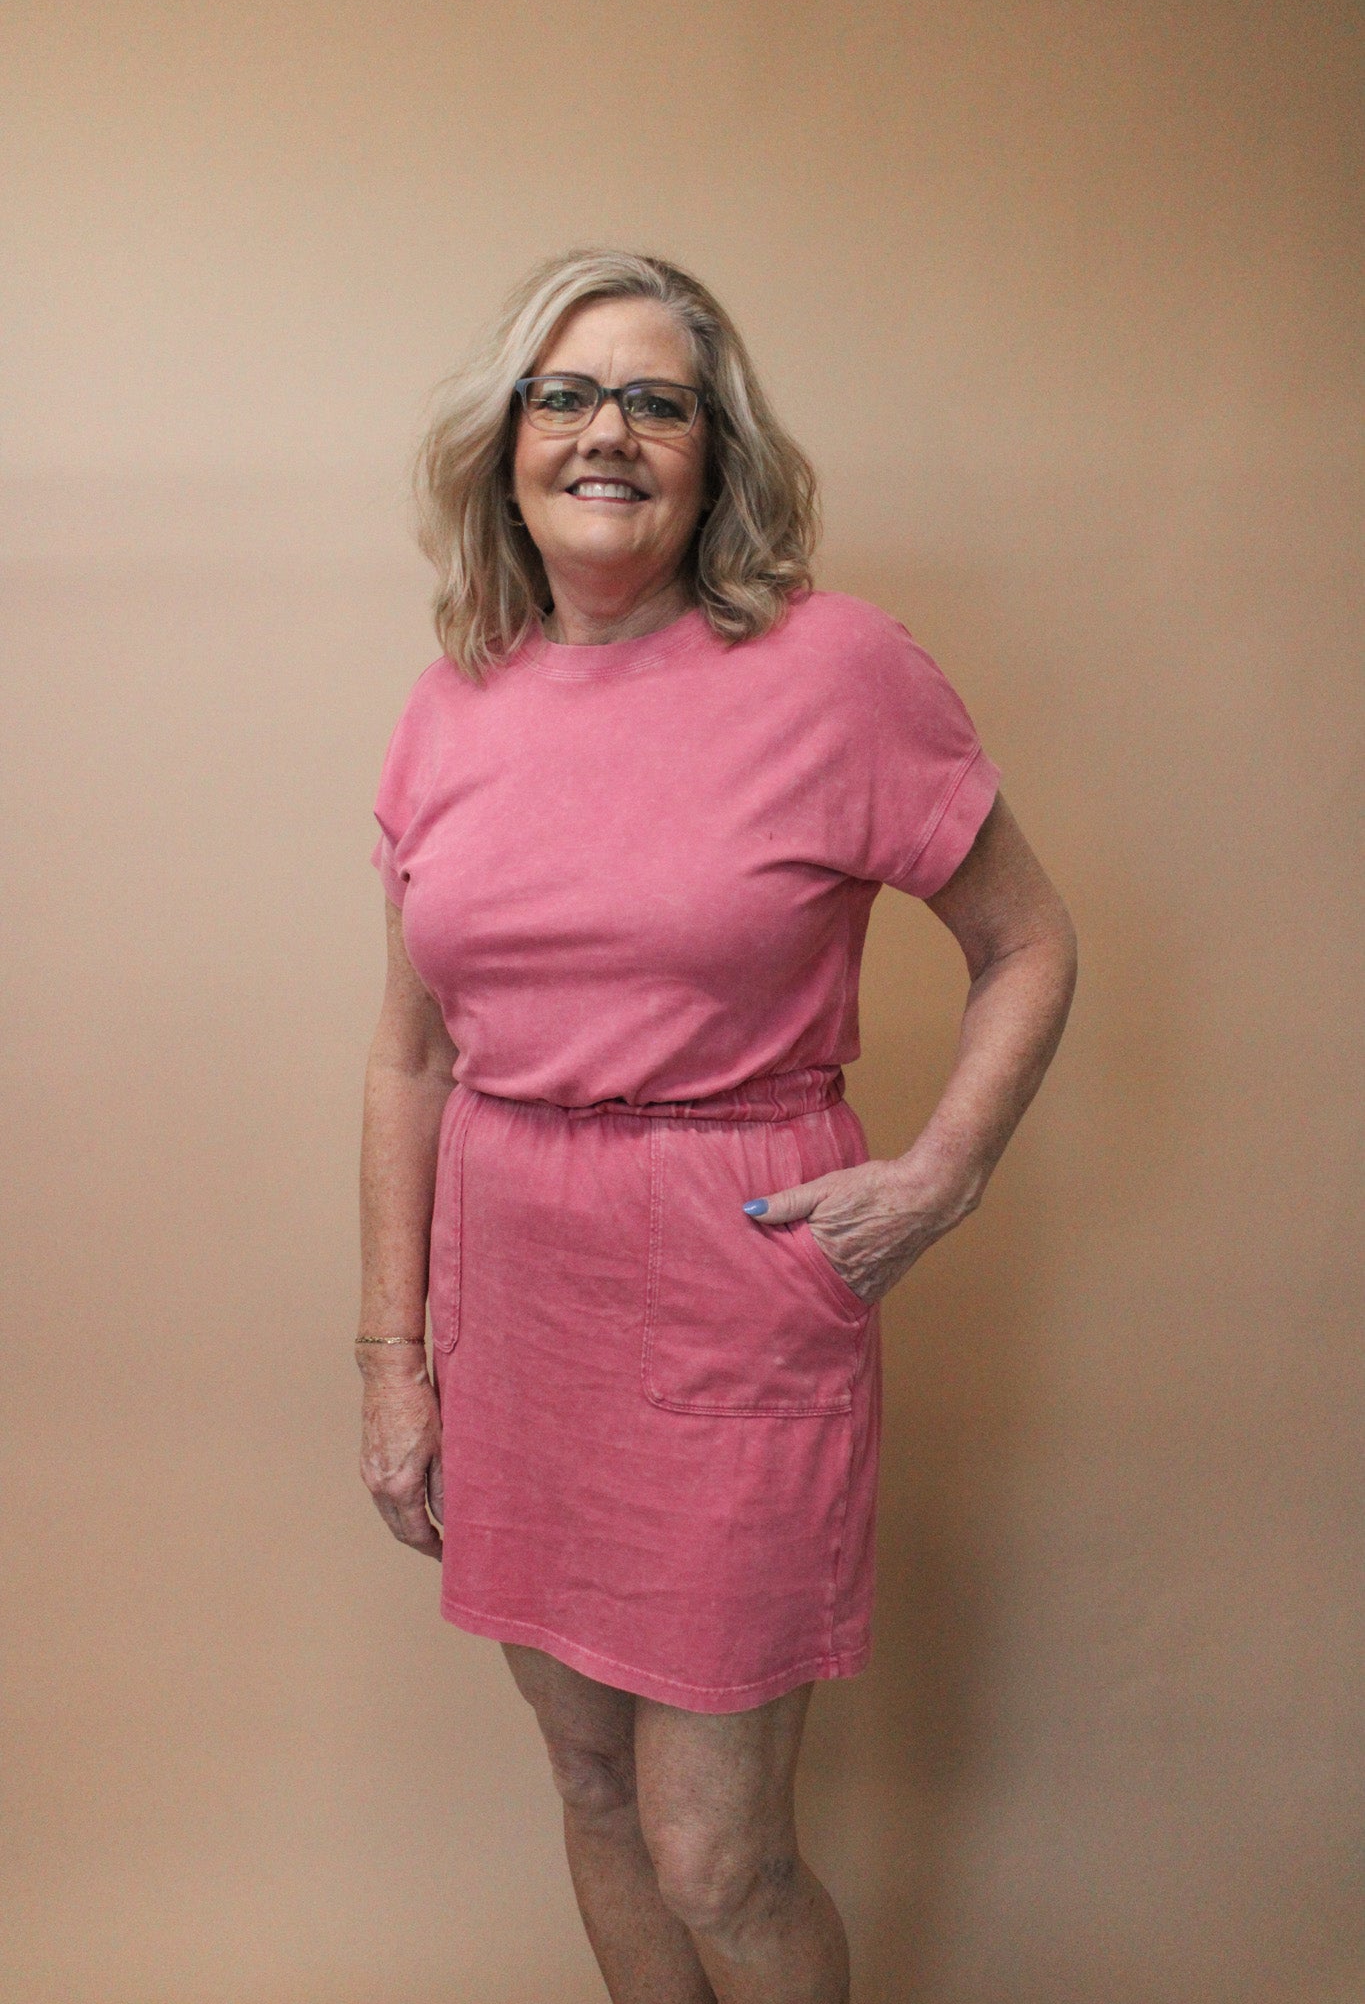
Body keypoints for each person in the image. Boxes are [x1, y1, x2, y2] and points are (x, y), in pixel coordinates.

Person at [356, 248, 1077, 2004]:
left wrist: (939, 1177)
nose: (606, 433)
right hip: (514, 1292)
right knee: (593, 1787)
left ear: (714, 454)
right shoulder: (455, 700)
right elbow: (408, 1058)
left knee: (715, 1852)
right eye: (565, 396)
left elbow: (1026, 942)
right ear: (506, 443)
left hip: (729, 1271)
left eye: (655, 403)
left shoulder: (835, 669)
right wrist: (392, 1359)